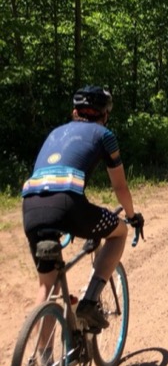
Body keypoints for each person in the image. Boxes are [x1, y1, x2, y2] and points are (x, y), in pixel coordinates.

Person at [22, 85, 143, 331]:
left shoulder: (55, 133)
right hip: (68, 205)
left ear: (74, 111)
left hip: (31, 206)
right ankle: (89, 302)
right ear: (104, 114)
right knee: (119, 232)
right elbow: (120, 188)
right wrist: (132, 216)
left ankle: (41, 363)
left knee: (47, 285)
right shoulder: (104, 135)